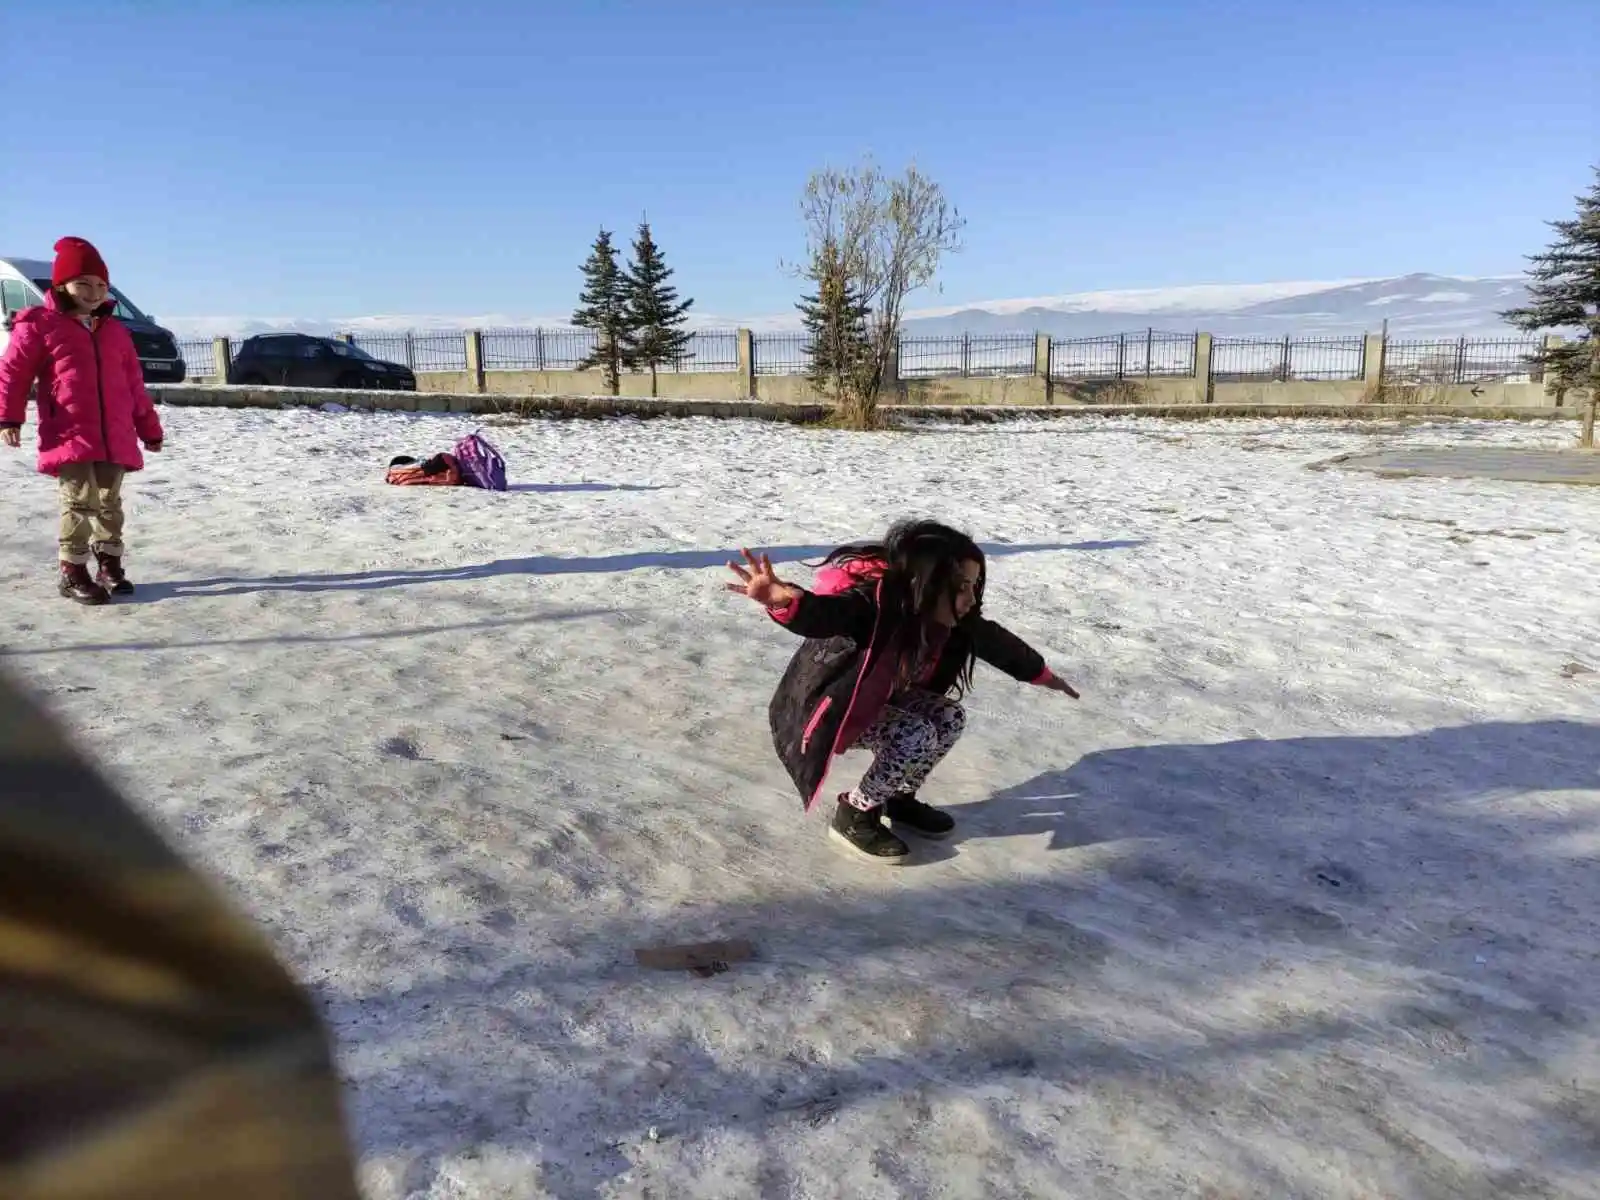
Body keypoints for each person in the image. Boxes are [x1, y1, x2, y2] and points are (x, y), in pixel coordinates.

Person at [727, 519, 1080, 864]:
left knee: (949, 717)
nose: (972, 598)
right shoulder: (870, 606)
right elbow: (825, 615)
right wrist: (783, 601)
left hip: (882, 701)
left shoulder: (953, 620)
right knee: (915, 733)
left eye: (975, 585)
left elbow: (996, 643)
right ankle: (855, 813)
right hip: (835, 708)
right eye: (962, 587)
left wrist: (1040, 673)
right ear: (926, 583)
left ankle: (898, 796)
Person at [0, 236, 165, 604]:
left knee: (109, 501)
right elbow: (12, 373)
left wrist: (149, 429)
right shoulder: (40, 324)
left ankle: (109, 563)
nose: (93, 293)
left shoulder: (115, 331)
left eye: (101, 285)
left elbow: (134, 386)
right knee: (80, 501)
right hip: (69, 432)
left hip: (116, 433)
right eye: (83, 284)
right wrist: (8, 418)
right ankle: (72, 570)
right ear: (61, 285)